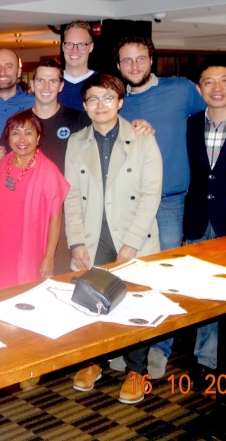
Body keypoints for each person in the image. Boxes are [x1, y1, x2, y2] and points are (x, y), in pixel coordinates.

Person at [111, 36, 206, 379]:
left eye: (140, 58)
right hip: (130, 205)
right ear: (118, 66)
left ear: (151, 60)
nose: (134, 66)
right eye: (127, 60)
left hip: (170, 202)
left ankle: (160, 347)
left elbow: (213, 115)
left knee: (164, 278)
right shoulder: (116, 101)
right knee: (129, 275)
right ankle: (129, 342)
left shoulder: (181, 90)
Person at [66, 74, 162, 405]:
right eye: (93, 99)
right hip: (93, 235)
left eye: (108, 98)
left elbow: (151, 194)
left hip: (132, 233)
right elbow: (70, 196)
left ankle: (137, 371)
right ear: (85, 105)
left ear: (120, 102)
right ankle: (93, 361)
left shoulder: (142, 138)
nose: (101, 105)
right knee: (89, 300)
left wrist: (132, 242)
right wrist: (76, 241)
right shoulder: (76, 141)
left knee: (135, 303)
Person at [0, 109, 68, 291]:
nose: (22, 139)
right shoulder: (1, 166)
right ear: (8, 138)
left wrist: (49, 256)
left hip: (31, 249)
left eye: (28, 133)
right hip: (1, 248)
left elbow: (56, 218)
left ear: (38, 138)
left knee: (26, 296)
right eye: (16, 133)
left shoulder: (48, 171)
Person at [184, 56, 226, 386]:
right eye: (209, 82)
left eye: (224, 80)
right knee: (204, 293)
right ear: (199, 89)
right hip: (199, 218)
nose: (217, 87)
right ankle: (206, 359)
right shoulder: (191, 123)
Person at [58, 20, 97, 111]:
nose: (75, 50)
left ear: (91, 47)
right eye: (69, 44)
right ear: (63, 46)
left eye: (81, 44)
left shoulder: (103, 83)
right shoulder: (51, 84)